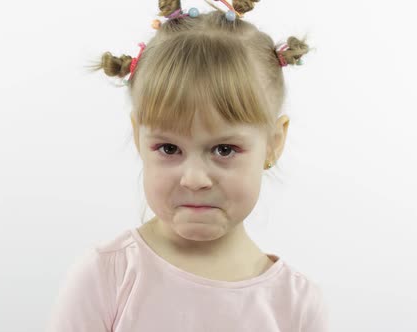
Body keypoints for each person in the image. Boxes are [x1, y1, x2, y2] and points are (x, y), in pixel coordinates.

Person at [46, 0, 328, 331]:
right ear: (139, 137)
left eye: (224, 149)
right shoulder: (107, 276)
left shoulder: (295, 306)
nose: (194, 179)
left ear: (273, 144)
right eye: (169, 148)